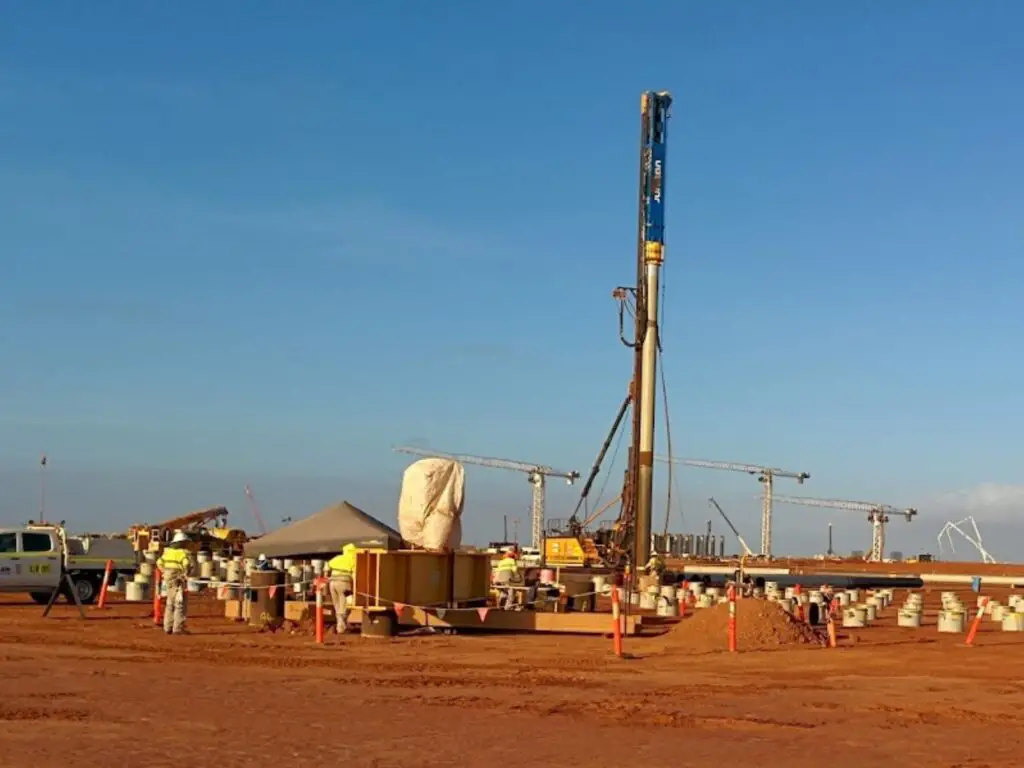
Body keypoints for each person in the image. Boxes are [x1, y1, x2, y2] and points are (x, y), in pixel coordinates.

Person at [156, 531, 193, 635]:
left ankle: (167, 627)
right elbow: (187, 564)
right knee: (180, 603)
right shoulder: (183, 553)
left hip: (168, 579)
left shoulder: (167, 552)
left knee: (170, 603)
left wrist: (164, 571)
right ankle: (178, 628)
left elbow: (159, 562)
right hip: (178, 578)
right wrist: (185, 574)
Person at [326, 543, 357, 634]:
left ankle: (340, 626)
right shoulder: (354, 559)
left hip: (332, 583)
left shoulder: (337, 558)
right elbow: (355, 575)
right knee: (347, 604)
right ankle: (341, 628)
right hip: (344, 584)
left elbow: (326, 567)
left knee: (337, 605)